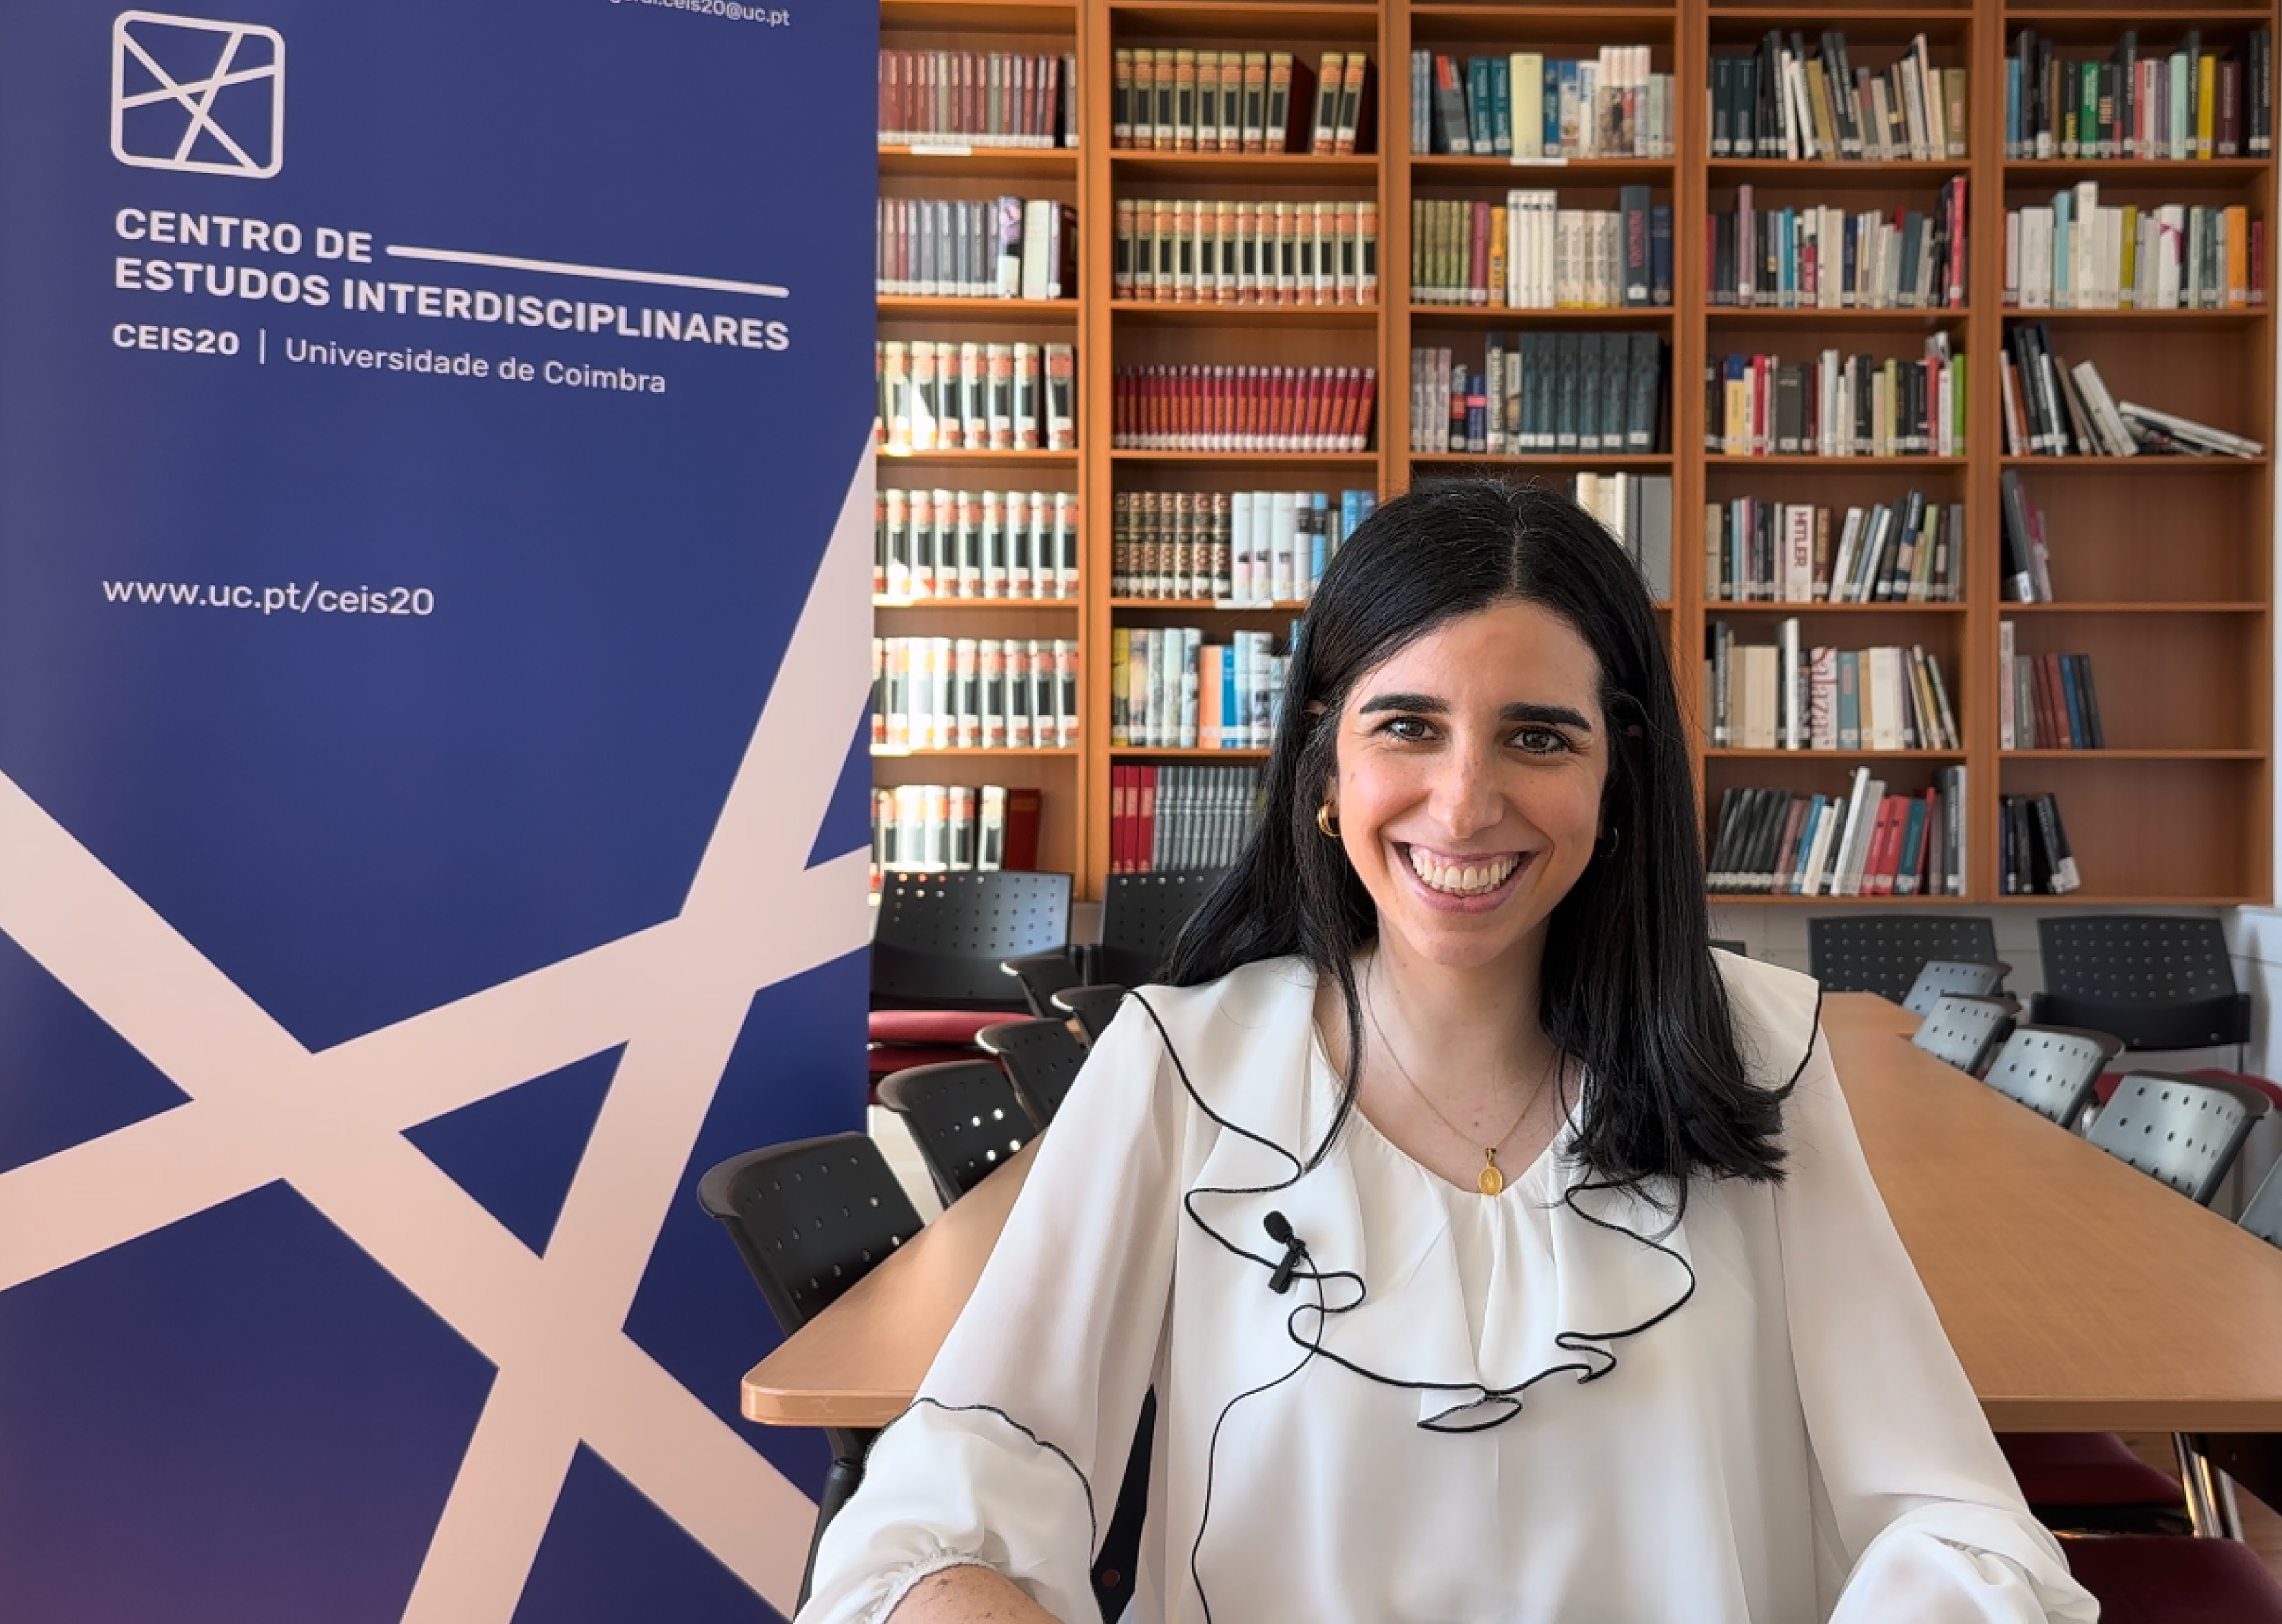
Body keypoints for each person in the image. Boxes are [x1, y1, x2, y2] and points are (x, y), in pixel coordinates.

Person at [806, 479, 2097, 1624]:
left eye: (1537, 735)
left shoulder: (1758, 1047)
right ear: (1325, 763)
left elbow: (1954, 1522)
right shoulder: (1175, 1065)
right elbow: (942, 1511)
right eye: (1407, 725)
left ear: (1617, 775)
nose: (1466, 802)